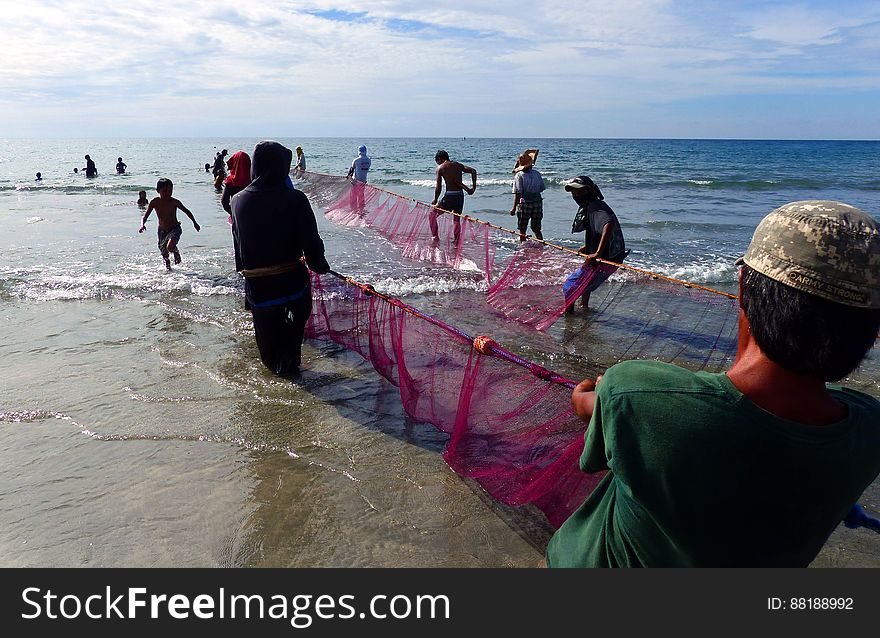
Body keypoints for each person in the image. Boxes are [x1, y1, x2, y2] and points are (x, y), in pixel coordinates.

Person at [546, 200, 880, 568]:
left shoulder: (638, 393)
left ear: (742, 288)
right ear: (870, 332)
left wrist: (596, 393)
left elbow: (587, 403)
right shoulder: (868, 430)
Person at [231, 140, 330, 376]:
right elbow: (312, 247)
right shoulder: (296, 199)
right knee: (292, 343)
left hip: (258, 289)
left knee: (270, 355)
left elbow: (239, 250)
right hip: (292, 285)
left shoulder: (236, 201)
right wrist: (320, 265)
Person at [563, 175, 626, 312]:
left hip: (606, 258)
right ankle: (584, 306)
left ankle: (569, 315)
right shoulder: (591, 205)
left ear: (590, 191)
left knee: (570, 286)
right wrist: (589, 247)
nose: (576, 195)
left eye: (579, 192)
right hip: (612, 255)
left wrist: (597, 252)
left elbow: (608, 225)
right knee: (585, 282)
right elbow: (596, 230)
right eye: (574, 193)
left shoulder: (595, 207)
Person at [138, 178, 200, 271]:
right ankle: (170, 272)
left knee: (170, 246)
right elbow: (145, 216)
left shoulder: (174, 202)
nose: (168, 193)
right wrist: (142, 225)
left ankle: (176, 252)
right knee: (165, 255)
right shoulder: (155, 202)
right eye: (165, 191)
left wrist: (194, 223)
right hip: (162, 231)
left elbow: (187, 211)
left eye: (170, 190)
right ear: (158, 191)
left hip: (174, 228)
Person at [430, 149, 477, 243]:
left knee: (432, 215)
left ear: (440, 158)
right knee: (456, 219)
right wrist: (473, 188)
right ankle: (456, 241)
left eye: (437, 162)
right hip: (460, 196)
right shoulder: (458, 165)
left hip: (449, 196)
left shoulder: (441, 168)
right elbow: (473, 171)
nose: (438, 164)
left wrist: (435, 199)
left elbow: (438, 187)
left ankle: (435, 238)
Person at [509, 149, 545, 242]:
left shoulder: (519, 175)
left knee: (522, 228)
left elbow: (518, 193)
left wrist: (513, 208)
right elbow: (541, 188)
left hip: (525, 204)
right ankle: (541, 244)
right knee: (536, 228)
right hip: (537, 202)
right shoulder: (537, 174)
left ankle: (523, 246)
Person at [221, 150, 252, 223]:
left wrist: (233, 213)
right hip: (251, 217)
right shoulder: (252, 181)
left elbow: (224, 202)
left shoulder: (230, 182)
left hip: (237, 217)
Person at [347, 144, 371, 211]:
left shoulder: (356, 160)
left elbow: (351, 172)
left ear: (359, 151)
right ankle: (361, 211)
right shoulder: (369, 160)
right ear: (365, 151)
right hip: (363, 182)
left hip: (355, 182)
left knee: (353, 198)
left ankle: (354, 211)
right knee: (361, 197)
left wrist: (348, 177)